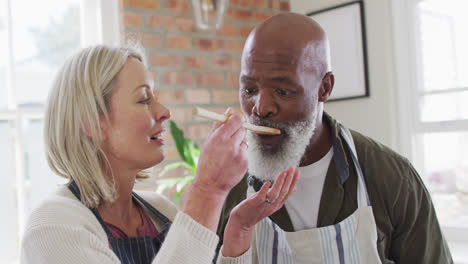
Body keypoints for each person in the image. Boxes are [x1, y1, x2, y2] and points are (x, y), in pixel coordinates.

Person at [20, 44, 300, 264]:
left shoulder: (160, 212)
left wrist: (239, 229)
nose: (164, 111)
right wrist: (208, 189)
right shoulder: (53, 228)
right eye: (144, 99)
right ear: (92, 122)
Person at [216, 13, 453, 263]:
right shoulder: (228, 183)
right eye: (249, 90)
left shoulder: (391, 177)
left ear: (324, 88)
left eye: (283, 91)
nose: (260, 108)